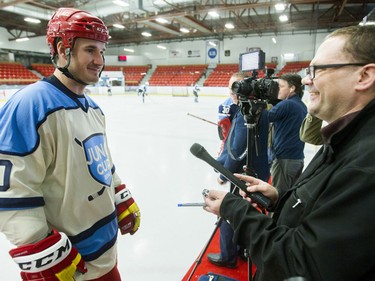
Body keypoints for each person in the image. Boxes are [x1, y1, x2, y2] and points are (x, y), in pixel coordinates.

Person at [202, 25, 375, 281]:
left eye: (317, 70)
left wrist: (233, 208)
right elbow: (323, 211)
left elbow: (298, 264)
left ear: (364, 76)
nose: (307, 80)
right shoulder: (347, 137)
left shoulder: (365, 163)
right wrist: (278, 199)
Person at [0, 8, 141, 281]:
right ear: (63, 49)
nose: (100, 60)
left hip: (106, 256)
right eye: (90, 49)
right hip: (70, 267)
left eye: (102, 50)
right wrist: (40, 249)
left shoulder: (94, 109)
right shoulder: (30, 105)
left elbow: (103, 165)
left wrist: (119, 193)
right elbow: (11, 190)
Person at [207, 72, 270, 268]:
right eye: (230, 87)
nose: (232, 92)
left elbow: (237, 150)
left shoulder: (245, 113)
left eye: (237, 86)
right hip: (257, 171)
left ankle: (228, 256)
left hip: (243, 173)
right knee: (247, 209)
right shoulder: (259, 109)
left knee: (230, 211)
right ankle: (243, 249)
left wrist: (222, 172)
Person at [268, 73, 307, 197]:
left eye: (280, 86)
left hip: (284, 159)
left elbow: (264, 117)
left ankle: (275, 217)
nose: (277, 89)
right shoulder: (301, 105)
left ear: (292, 88)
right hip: (296, 158)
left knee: (278, 196)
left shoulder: (287, 104)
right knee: (290, 196)